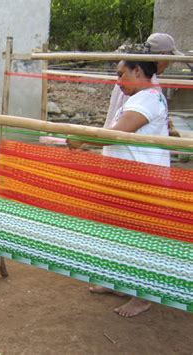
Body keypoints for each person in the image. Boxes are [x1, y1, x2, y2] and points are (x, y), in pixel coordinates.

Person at [68, 59, 170, 317]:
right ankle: (119, 282)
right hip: (130, 180)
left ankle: (143, 296)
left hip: (141, 182)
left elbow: (117, 134)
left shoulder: (146, 99)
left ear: (138, 71)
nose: (118, 81)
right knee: (119, 234)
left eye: (121, 74)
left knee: (138, 240)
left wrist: (80, 139)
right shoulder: (144, 97)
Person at [104, 33, 183, 134]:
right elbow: (118, 131)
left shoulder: (144, 89)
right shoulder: (148, 87)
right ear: (163, 55)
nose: (169, 64)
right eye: (170, 59)